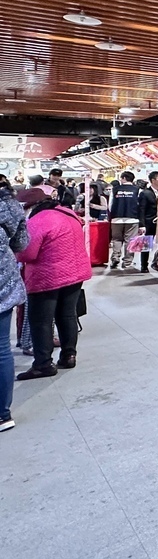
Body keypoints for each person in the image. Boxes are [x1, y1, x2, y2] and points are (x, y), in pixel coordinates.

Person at [15, 196, 92, 378]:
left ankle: (43, 364)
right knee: (67, 315)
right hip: (75, 272)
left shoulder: (38, 220)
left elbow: (27, 253)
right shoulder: (70, 215)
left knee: (41, 320)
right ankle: (69, 356)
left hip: (47, 277)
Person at [1, 180, 29, 430]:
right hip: (4, 281)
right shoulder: (11, 205)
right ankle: (3, 414)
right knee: (2, 350)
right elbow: (21, 244)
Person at [108, 172, 140, 270]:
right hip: (132, 218)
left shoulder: (115, 189)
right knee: (130, 241)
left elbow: (110, 205)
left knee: (117, 239)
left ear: (124, 178)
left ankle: (115, 258)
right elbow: (140, 204)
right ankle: (127, 262)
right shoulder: (138, 190)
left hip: (116, 218)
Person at [137, 171, 158, 274]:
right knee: (146, 244)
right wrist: (142, 224)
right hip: (149, 222)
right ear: (153, 180)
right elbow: (141, 209)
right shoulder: (145, 193)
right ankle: (144, 265)